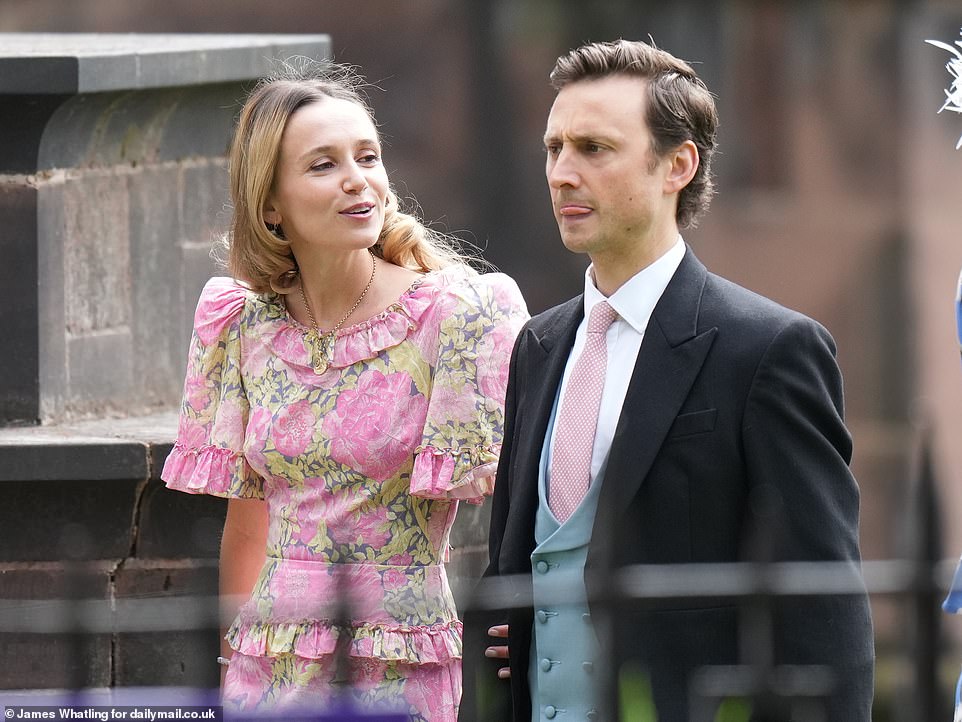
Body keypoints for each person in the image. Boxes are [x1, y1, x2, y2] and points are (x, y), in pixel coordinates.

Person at [461, 39, 874, 722]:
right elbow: (515, 573)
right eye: (553, 147)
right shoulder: (536, 345)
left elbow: (823, 608)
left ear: (677, 165)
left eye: (593, 149)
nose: (562, 173)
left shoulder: (769, 349)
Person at [160, 61, 528, 721]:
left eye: (368, 156)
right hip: (266, 670)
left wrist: (526, 612)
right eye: (324, 165)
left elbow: (531, 493)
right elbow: (248, 525)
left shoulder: (461, 314)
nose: (359, 180)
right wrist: (226, 672)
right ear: (271, 203)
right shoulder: (240, 323)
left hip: (401, 662)